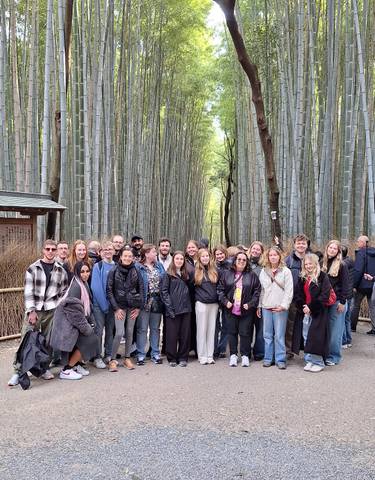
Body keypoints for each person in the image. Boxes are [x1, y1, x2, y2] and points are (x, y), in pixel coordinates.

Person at [8, 240, 69, 386]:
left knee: (48, 341)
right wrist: (31, 311)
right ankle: (18, 371)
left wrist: (57, 303)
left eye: (53, 249)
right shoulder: (33, 268)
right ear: (43, 250)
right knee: (26, 339)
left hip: (51, 309)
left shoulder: (60, 270)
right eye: (47, 249)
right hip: (35, 309)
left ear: (56, 251)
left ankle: (43, 368)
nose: (50, 251)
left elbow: (64, 290)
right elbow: (28, 291)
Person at [51, 261, 98, 380]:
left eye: (87, 271)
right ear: (77, 272)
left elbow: (87, 308)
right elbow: (74, 313)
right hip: (67, 323)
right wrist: (87, 328)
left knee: (85, 339)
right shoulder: (76, 287)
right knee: (90, 339)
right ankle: (67, 370)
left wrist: (90, 322)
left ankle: (75, 365)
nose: (85, 274)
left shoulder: (83, 284)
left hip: (73, 322)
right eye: (82, 271)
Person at [217, 251, 261, 367]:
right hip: (230, 309)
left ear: (247, 262)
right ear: (235, 261)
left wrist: (251, 304)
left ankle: (245, 355)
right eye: (239, 259)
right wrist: (225, 302)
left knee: (245, 332)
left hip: (246, 310)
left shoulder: (252, 275)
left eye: (244, 260)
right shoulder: (227, 274)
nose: (241, 261)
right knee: (231, 332)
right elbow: (220, 290)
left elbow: (257, 292)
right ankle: (233, 355)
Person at [106, 247, 143, 372]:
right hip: (119, 307)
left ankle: (127, 358)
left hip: (132, 306)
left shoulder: (136, 270)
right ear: (120, 257)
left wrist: (138, 307)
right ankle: (112, 360)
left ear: (133, 258)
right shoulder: (114, 270)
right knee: (119, 332)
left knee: (129, 332)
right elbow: (109, 291)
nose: (127, 258)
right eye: (125, 256)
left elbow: (141, 289)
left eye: (130, 256)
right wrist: (116, 308)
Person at [258, 247, 293, 369]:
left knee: (279, 335)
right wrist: (259, 305)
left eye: (275, 255)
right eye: (270, 255)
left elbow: (289, 291)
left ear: (279, 256)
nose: (273, 257)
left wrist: (283, 306)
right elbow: (261, 290)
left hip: (280, 307)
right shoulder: (264, 271)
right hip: (266, 306)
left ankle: (280, 359)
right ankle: (268, 358)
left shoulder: (285, 271)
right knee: (267, 334)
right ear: (267, 257)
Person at [294, 253, 331, 372]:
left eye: (310, 263)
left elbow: (325, 295)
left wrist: (311, 307)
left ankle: (318, 362)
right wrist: (303, 306)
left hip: (318, 311)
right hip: (305, 311)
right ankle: (309, 360)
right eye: (306, 264)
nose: (308, 266)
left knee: (316, 337)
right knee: (306, 336)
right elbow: (298, 294)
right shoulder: (302, 277)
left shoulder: (322, 276)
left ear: (315, 263)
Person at [160, 251, 192, 367]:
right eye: (177, 259)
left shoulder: (186, 275)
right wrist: (169, 308)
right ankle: (172, 357)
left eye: (181, 259)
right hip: (172, 308)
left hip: (185, 308)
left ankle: (183, 357)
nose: (179, 261)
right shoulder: (167, 274)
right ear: (173, 260)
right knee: (172, 335)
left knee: (185, 334)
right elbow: (164, 292)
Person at [136, 244, 166, 365]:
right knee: (142, 329)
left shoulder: (159, 266)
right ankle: (140, 354)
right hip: (144, 301)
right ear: (147, 253)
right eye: (154, 252)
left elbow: (164, 281)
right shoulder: (138, 267)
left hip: (157, 300)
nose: (156, 254)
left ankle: (155, 353)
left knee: (155, 328)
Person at [322, 240, 350, 366]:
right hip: (324, 301)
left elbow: (346, 285)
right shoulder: (322, 263)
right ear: (327, 248)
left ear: (338, 251)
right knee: (326, 329)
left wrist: (343, 302)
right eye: (330, 247)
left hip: (337, 301)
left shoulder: (342, 265)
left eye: (335, 248)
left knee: (335, 331)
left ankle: (334, 356)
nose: (332, 250)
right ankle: (325, 354)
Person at [91, 241, 116, 367]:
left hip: (113, 306)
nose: (108, 251)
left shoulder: (116, 266)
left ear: (114, 251)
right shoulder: (98, 266)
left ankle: (108, 354)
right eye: (105, 249)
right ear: (101, 252)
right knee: (99, 331)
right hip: (99, 306)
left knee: (110, 331)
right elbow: (96, 287)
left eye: (110, 249)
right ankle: (97, 356)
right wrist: (104, 306)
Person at [285, 234, 310, 356]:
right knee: (290, 325)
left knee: (307, 326)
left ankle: (308, 351)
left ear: (307, 245)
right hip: (293, 298)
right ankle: (288, 350)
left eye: (303, 243)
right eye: (298, 243)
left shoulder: (311, 259)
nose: (301, 245)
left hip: (309, 299)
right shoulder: (288, 260)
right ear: (294, 245)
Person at [194, 248, 219, 365]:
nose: (205, 258)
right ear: (199, 258)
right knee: (201, 330)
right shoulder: (195, 271)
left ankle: (210, 355)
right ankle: (202, 355)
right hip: (201, 304)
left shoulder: (214, 270)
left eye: (207, 256)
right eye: (202, 256)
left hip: (213, 304)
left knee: (211, 330)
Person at [351, 235, 375, 334]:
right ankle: (374, 329)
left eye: (359, 241)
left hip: (361, 285)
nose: (357, 243)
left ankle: (352, 327)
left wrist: (354, 285)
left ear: (364, 243)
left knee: (355, 305)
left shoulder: (361, 253)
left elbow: (358, 270)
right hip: (372, 284)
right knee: (373, 306)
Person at [247, 241, 265, 361]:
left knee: (260, 328)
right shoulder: (244, 263)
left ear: (262, 252)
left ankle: (259, 352)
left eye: (258, 249)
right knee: (247, 328)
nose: (255, 251)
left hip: (260, 301)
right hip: (246, 301)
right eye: (253, 249)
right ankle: (246, 351)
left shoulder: (265, 265)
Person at [213, 245, 230, 358]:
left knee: (226, 324)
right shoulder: (213, 266)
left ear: (225, 253)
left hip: (227, 298)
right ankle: (214, 348)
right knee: (215, 325)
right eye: (217, 254)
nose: (219, 256)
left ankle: (222, 348)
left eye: (221, 253)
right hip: (214, 298)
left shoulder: (230, 266)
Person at [341, 245, 354, 348]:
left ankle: (344, 341)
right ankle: (348, 340)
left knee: (343, 318)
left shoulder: (343, 264)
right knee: (347, 318)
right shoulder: (350, 261)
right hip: (349, 293)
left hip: (346, 294)